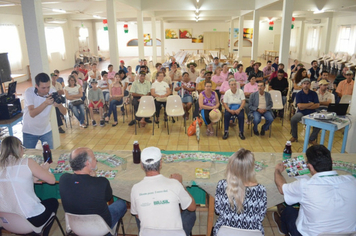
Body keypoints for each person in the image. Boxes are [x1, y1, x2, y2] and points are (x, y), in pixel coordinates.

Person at [274, 145, 356, 236]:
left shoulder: (305, 185)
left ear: (309, 166)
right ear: (331, 161)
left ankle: (285, 231)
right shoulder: (352, 181)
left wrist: (277, 170)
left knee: (288, 211)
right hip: (348, 234)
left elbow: (282, 189)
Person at [0, 136, 59, 236]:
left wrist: (31, 179)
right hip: (29, 219)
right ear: (18, 148)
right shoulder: (27, 162)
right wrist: (45, 169)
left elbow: (11, 180)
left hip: (5, 219)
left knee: (39, 199)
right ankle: (40, 233)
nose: (23, 150)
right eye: (22, 147)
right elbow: (52, 180)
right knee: (53, 202)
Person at [130, 147, 196, 236]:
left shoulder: (136, 188)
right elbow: (192, 207)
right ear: (160, 163)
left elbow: (137, 215)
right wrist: (181, 185)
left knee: (139, 215)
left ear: (142, 165)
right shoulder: (175, 184)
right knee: (190, 212)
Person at [59, 147, 127, 233]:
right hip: (101, 227)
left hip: (75, 226)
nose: (96, 160)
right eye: (94, 158)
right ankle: (107, 233)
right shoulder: (102, 182)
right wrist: (94, 178)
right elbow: (108, 197)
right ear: (88, 163)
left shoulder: (63, 179)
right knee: (121, 203)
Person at [214, 148, 267, 236]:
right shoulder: (261, 190)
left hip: (224, 232)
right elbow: (261, 217)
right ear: (252, 168)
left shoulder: (221, 185)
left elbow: (218, 210)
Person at [22, 73, 66, 149]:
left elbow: (64, 112)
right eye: (43, 88)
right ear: (36, 86)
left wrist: (58, 104)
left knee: (50, 156)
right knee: (28, 155)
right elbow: (32, 113)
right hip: (29, 131)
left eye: (48, 87)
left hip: (46, 130)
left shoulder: (52, 91)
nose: (46, 90)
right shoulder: (29, 92)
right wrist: (45, 103)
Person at [290, 78, 320, 144]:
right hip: (301, 112)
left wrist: (305, 106)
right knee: (293, 119)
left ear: (310, 85)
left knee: (319, 122)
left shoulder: (314, 94)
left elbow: (317, 105)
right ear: (302, 85)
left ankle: (312, 139)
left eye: (307, 84)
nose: (306, 85)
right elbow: (300, 106)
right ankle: (294, 136)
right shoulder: (299, 94)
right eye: (304, 84)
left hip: (312, 112)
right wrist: (311, 104)